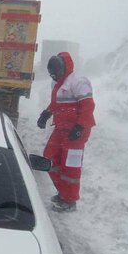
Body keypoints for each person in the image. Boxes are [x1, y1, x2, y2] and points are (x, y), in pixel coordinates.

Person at [37, 52, 96, 212]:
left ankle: (69, 201)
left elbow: (88, 106)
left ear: (63, 69)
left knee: (70, 167)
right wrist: (46, 114)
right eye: (52, 75)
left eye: (56, 74)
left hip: (77, 131)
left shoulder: (79, 81)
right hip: (61, 128)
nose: (54, 77)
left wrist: (80, 127)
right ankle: (63, 191)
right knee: (49, 157)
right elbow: (57, 103)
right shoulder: (57, 83)